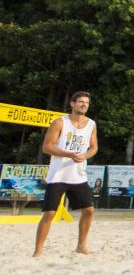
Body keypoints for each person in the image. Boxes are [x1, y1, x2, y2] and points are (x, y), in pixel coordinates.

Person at [34, 91, 98, 257]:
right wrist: (69, 154)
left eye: (86, 103)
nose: (84, 105)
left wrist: (85, 155)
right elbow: (47, 147)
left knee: (89, 210)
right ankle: (38, 251)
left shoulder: (91, 124)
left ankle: (81, 245)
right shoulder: (60, 122)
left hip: (78, 175)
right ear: (72, 104)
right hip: (58, 175)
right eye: (81, 102)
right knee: (49, 214)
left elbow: (94, 147)